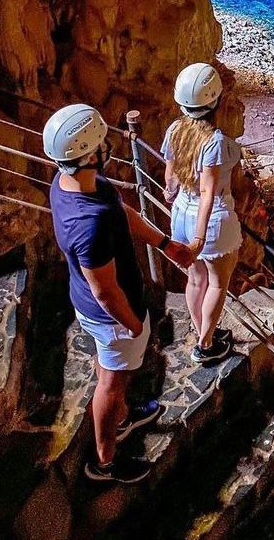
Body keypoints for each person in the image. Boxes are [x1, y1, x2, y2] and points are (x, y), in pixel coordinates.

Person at [43, 103, 194, 484]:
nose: (108, 147)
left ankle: (124, 417)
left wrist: (164, 243)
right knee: (112, 382)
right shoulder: (89, 225)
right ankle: (105, 461)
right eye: (101, 144)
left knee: (113, 370)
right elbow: (105, 290)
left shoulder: (69, 185)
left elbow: (121, 210)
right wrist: (133, 325)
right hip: (111, 315)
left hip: (94, 308)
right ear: (89, 154)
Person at [162, 63, 243, 366]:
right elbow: (209, 192)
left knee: (195, 280)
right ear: (217, 102)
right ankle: (205, 345)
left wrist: (171, 196)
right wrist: (199, 238)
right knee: (217, 283)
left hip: (180, 211)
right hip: (211, 221)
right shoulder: (215, 143)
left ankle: (201, 330)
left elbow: (169, 177)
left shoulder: (175, 131)